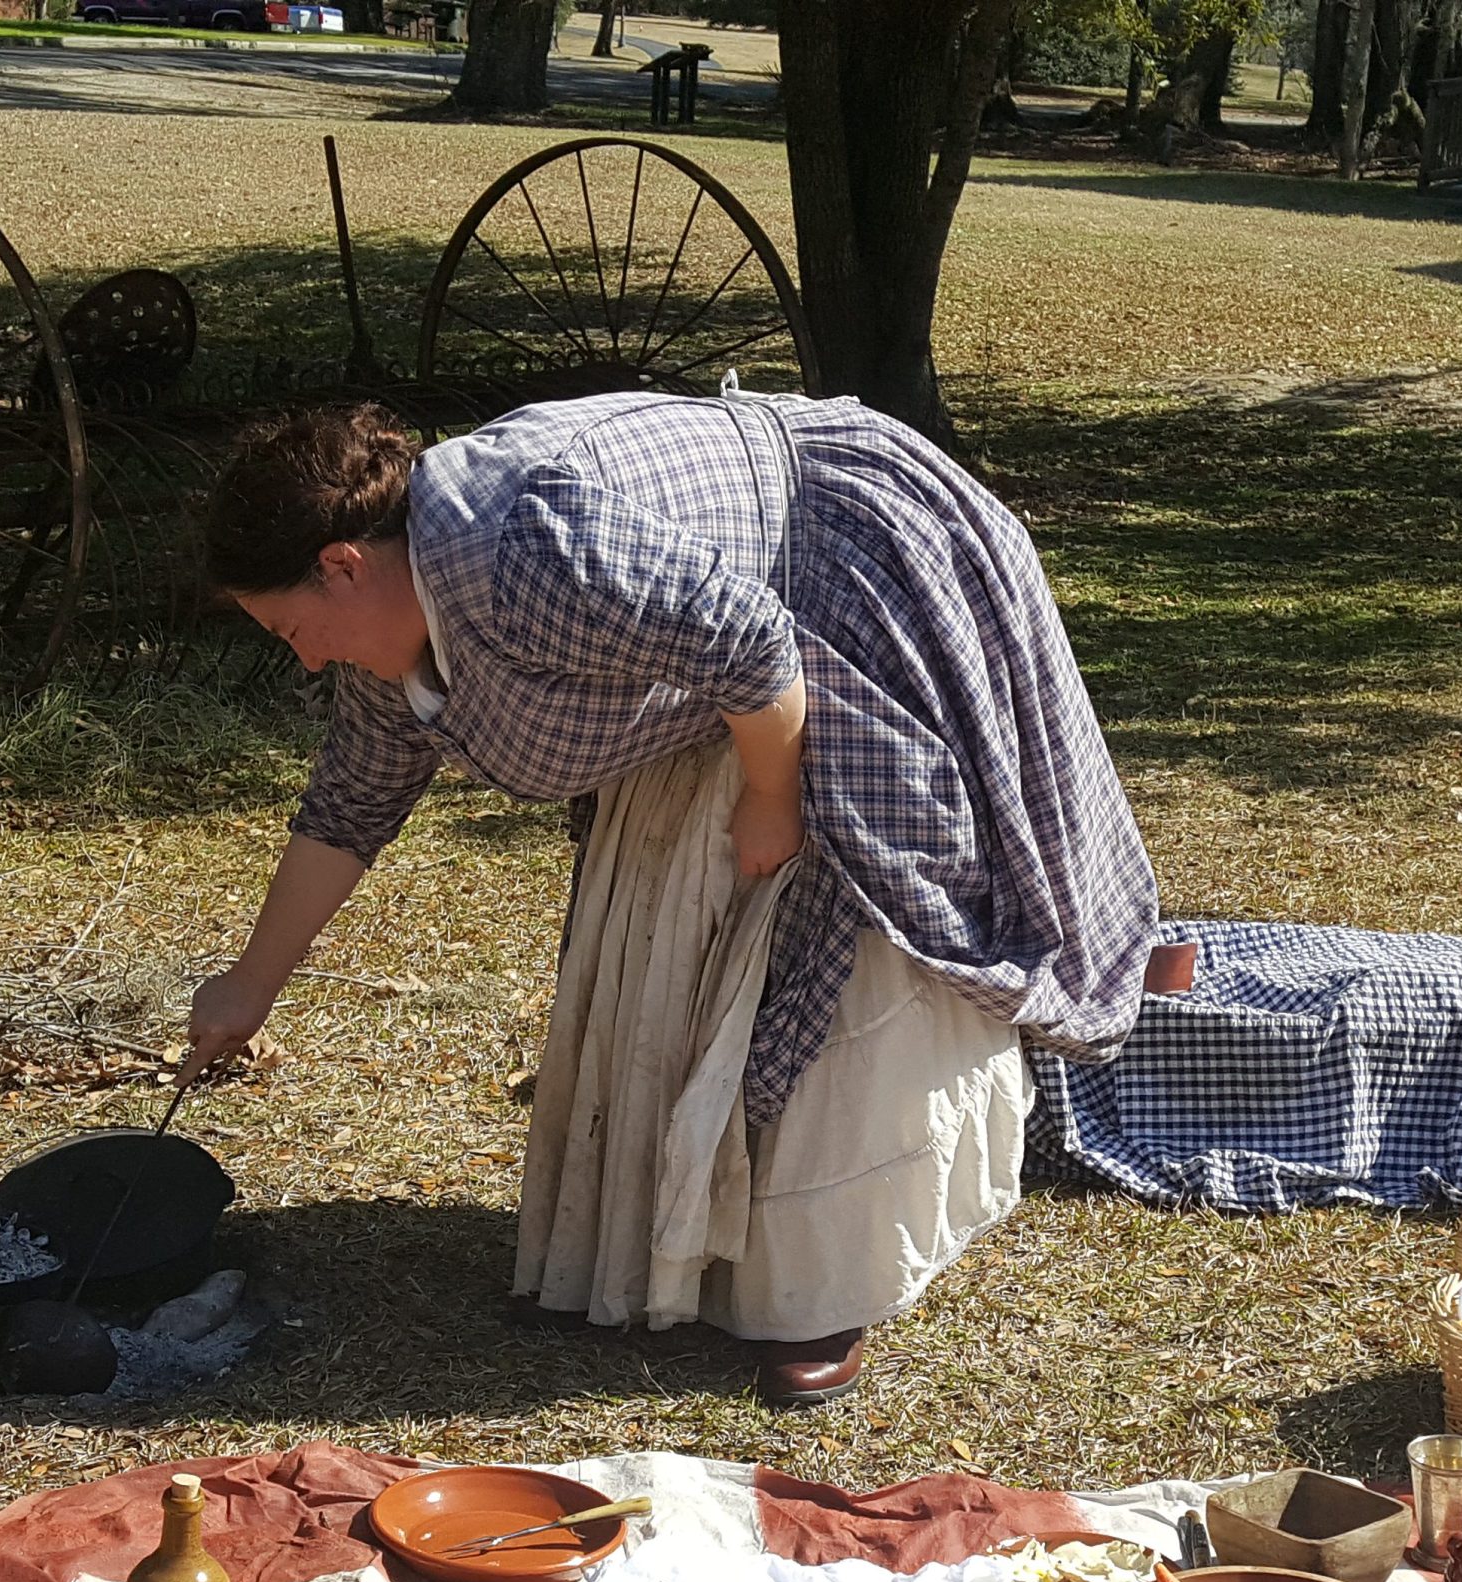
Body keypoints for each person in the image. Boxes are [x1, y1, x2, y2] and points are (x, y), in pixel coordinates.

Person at [180, 395, 1161, 1408]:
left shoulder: (522, 554)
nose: (303, 659)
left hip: (839, 573)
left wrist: (776, 801)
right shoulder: (396, 630)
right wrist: (250, 986)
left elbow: (754, 647)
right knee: (667, 937)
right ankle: (671, 1256)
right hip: (719, 675)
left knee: (836, 943)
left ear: (344, 565)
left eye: (294, 629)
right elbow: (349, 805)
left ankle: (820, 1295)